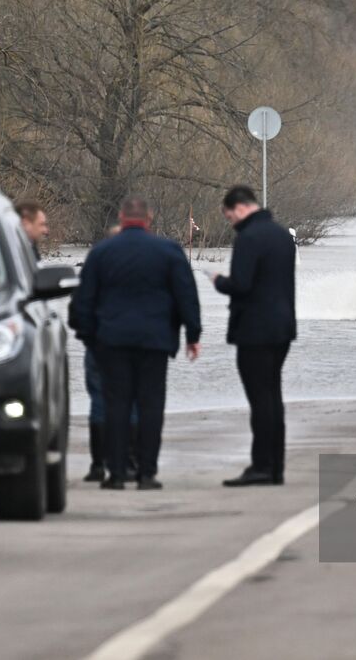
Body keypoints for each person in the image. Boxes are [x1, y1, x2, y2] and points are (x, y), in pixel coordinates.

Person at [71, 197, 201, 491]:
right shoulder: (168, 251)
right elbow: (186, 296)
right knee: (150, 407)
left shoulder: (101, 252)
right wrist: (192, 336)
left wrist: (90, 337)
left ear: (121, 217)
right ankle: (146, 473)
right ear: (149, 219)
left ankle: (115, 474)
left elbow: (84, 301)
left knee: (116, 406)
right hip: (155, 342)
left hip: (112, 341)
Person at [211, 186, 297, 487]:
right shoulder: (283, 236)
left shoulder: (248, 238)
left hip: (254, 330)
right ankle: (276, 467)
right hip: (282, 328)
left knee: (260, 399)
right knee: (273, 397)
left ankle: (261, 466)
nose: (231, 221)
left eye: (229, 215)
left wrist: (219, 281)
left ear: (238, 208)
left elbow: (242, 284)